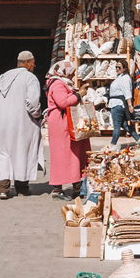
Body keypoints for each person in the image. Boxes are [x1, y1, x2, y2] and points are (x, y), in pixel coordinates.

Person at [0, 50, 45, 199]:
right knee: (22, 153)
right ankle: (22, 187)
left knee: (3, 154)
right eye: (32, 63)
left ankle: (3, 189)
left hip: (3, 124)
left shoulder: (3, 77)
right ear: (27, 63)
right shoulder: (30, 78)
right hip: (23, 124)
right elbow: (32, 104)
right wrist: (38, 115)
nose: (34, 65)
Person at [46, 60, 90, 200]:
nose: (72, 76)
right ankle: (57, 188)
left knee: (74, 153)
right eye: (71, 73)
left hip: (67, 122)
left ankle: (76, 184)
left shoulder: (62, 82)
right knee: (62, 154)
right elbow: (62, 102)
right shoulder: (58, 83)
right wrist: (79, 94)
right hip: (61, 124)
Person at [108, 60, 140, 147]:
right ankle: (139, 139)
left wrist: (130, 105)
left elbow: (127, 93)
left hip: (118, 104)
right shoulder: (120, 78)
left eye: (119, 67)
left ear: (124, 68)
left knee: (116, 126)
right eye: (116, 67)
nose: (117, 69)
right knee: (124, 125)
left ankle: (112, 144)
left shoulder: (125, 79)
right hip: (115, 102)